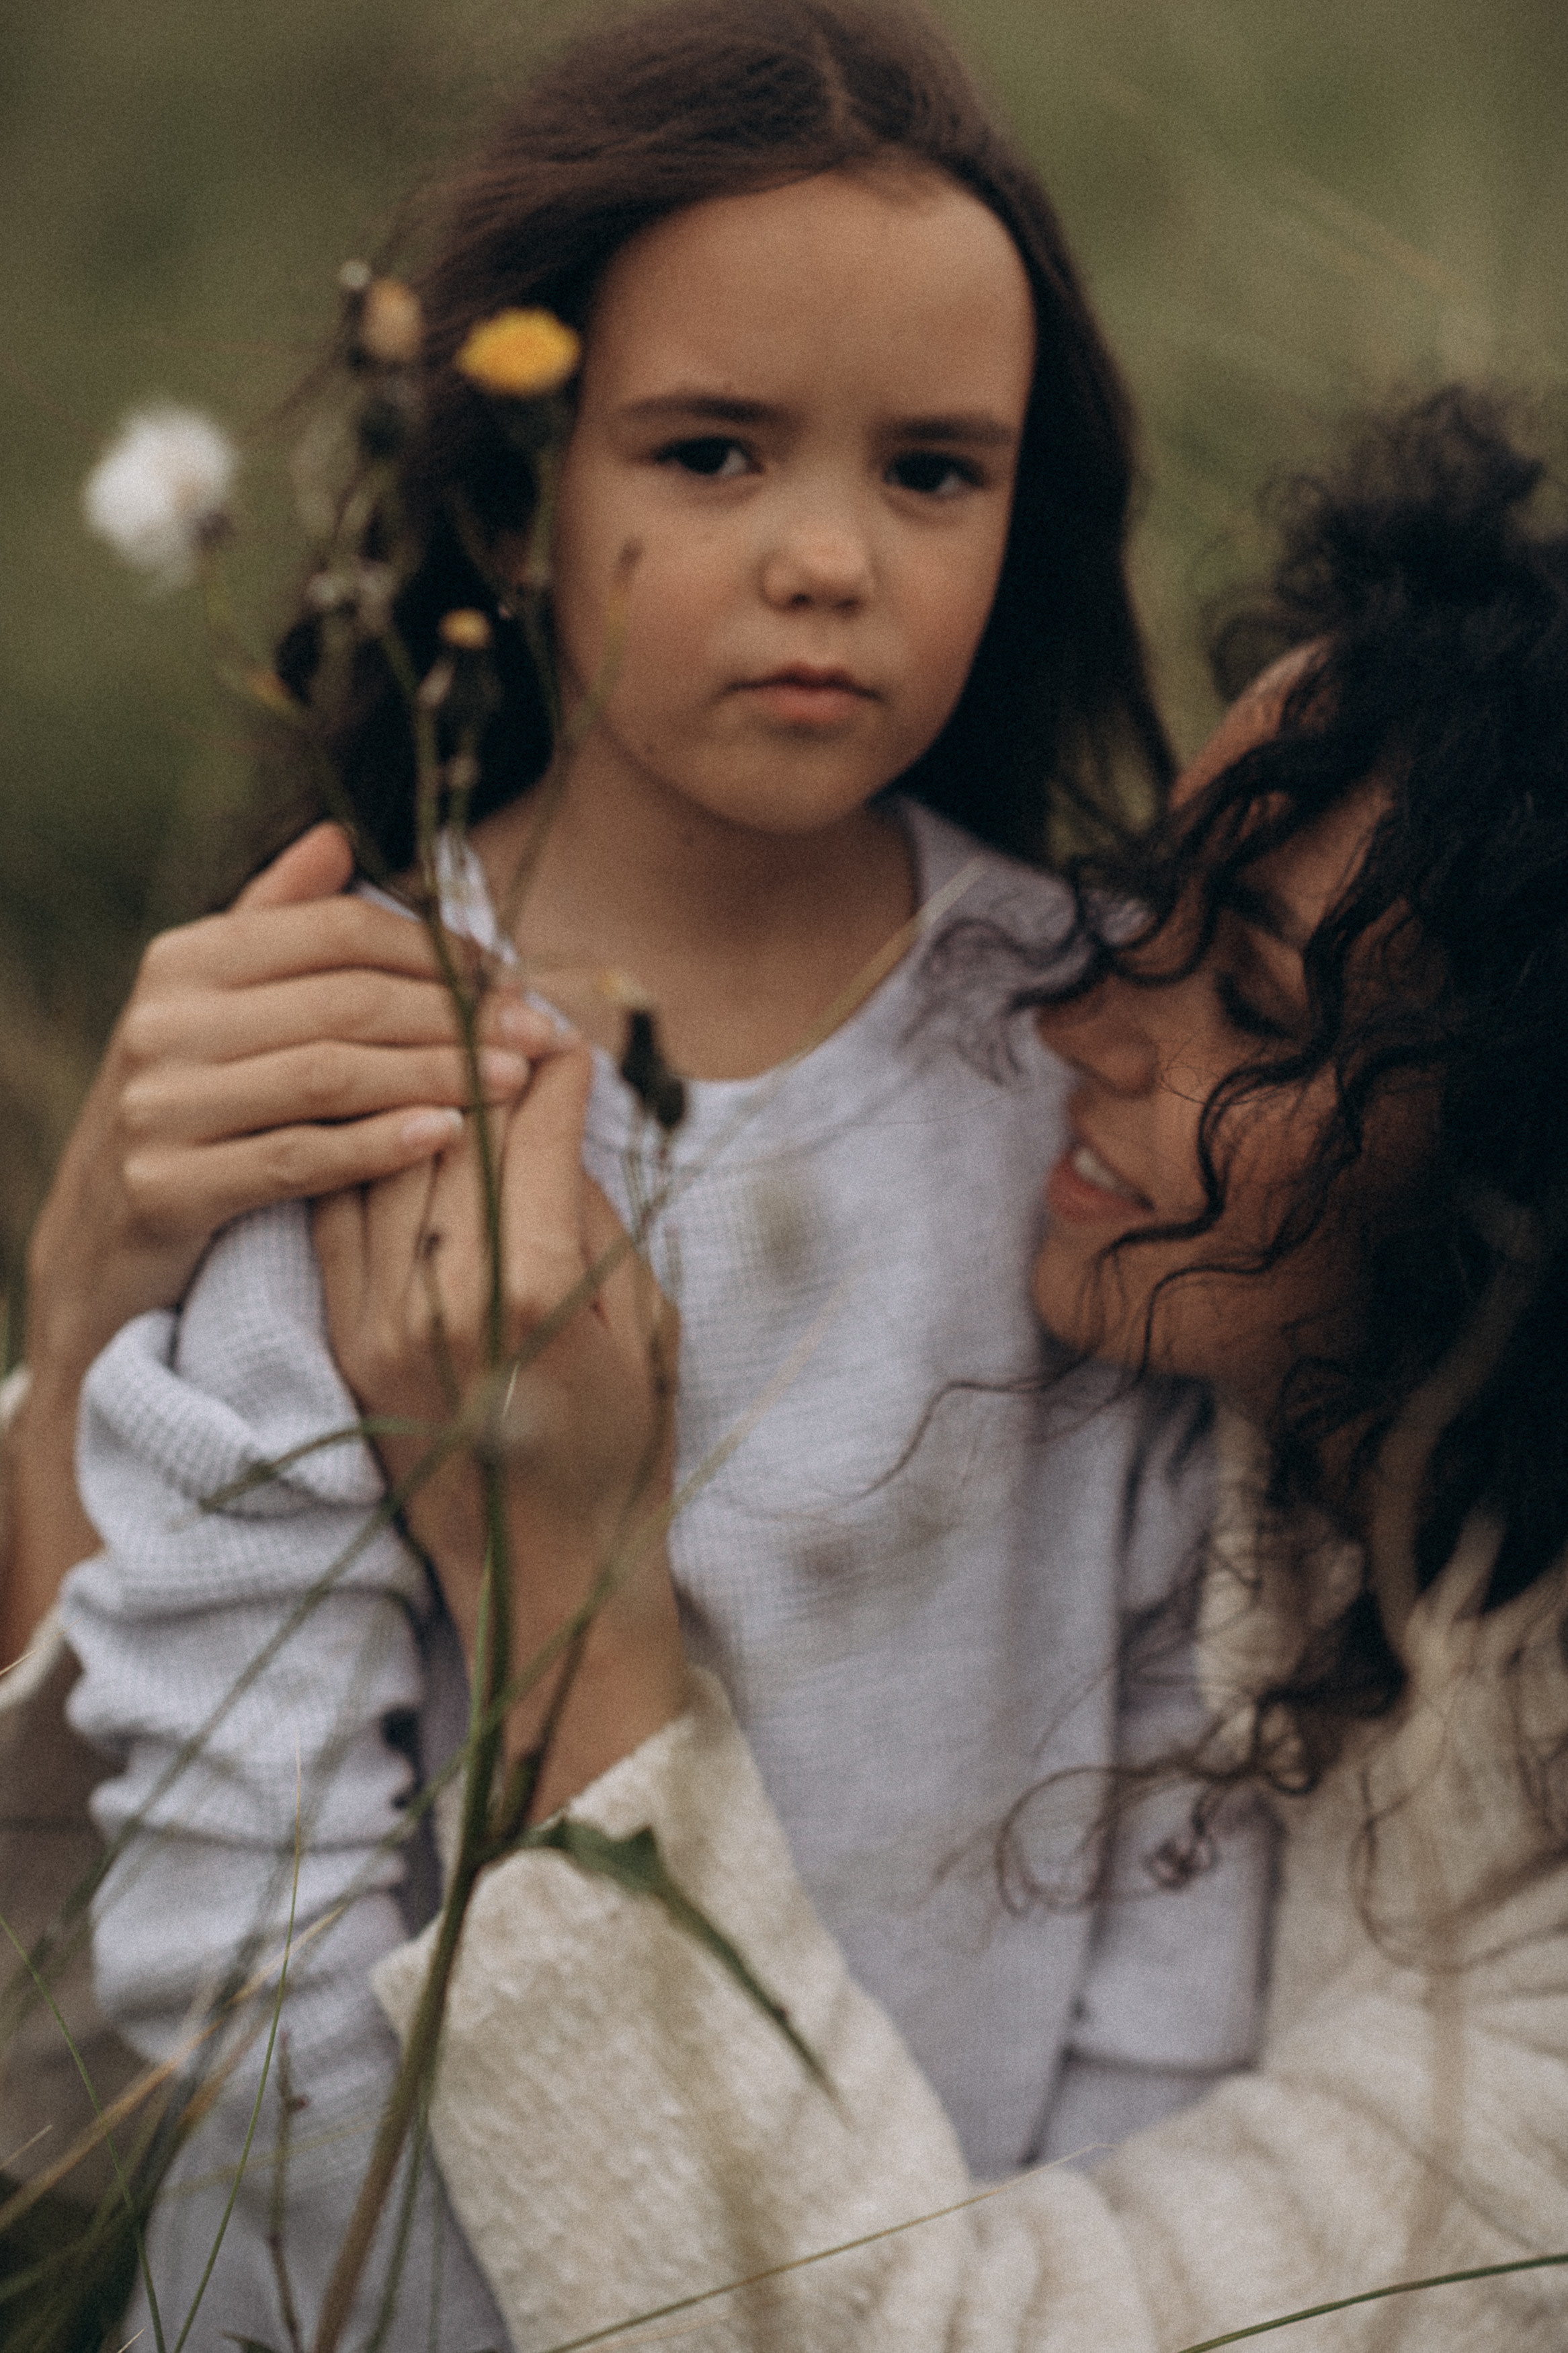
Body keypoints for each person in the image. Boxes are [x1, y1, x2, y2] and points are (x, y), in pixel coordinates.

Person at [53, 2, 1274, 2346]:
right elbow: (234, 1863)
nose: (827, 558)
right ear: (514, 507)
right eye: (711, 452)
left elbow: (1184, 1773)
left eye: (934, 471)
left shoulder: (1090, 1054)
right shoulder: (368, 1047)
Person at [355, 389, 1568, 2352]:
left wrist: (568, 1602)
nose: (1085, 1013)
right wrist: (78, 1348)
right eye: (1153, 894)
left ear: (1522, 1181)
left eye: (1255, 1000)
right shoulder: (1268, 1434)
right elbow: (78, 2105)